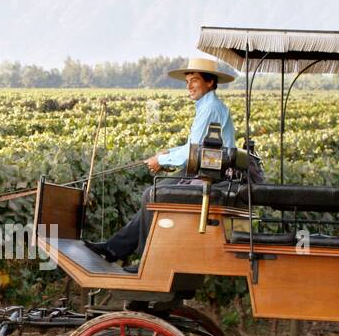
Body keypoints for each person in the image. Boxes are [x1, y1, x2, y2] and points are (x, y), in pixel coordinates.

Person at [86, 56, 239, 272]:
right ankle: (114, 249)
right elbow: (193, 146)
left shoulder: (210, 108)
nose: (189, 86)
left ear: (210, 82)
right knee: (155, 192)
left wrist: (161, 160)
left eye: (194, 80)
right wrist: (168, 153)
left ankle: (147, 260)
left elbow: (192, 152)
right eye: (187, 81)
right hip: (206, 171)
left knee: (153, 193)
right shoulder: (209, 105)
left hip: (212, 177)